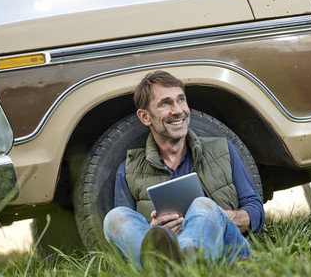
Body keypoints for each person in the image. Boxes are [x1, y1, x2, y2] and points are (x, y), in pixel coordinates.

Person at [103, 70, 264, 269]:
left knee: (202, 205)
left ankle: (181, 262)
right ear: (145, 117)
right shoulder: (128, 169)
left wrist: (221, 216)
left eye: (181, 100)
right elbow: (128, 232)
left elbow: (256, 212)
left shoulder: (222, 149)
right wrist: (155, 232)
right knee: (114, 217)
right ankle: (171, 262)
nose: (178, 110)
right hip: (165, 252)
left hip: (227, 249)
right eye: (165, 103)